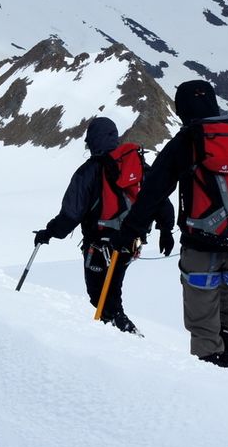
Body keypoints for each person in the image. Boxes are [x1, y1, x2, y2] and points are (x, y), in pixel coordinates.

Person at [115, 80, 228, 366]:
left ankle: (210, 368)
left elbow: (153, 193)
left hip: (200, 242)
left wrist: (130, 231)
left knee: (202, 305)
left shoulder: (187, 141)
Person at [33, 117, 175, 334]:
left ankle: (122, 336)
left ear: (91, 140)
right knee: (111, 292)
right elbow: (160, 200)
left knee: (100, 296)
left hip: (100, 246)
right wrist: (166, 230)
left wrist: (49, 232)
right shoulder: (137, 166)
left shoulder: (88, 171)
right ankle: (118, 330)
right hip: (129, 243)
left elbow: (71, 214)